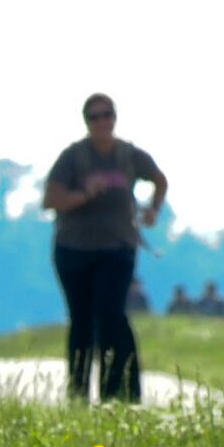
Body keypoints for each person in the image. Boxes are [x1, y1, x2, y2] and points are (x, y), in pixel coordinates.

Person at [41, 94, 166, 402]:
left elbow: (160, 180)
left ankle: (119, 392)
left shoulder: (129, 155)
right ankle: (79, 393)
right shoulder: (73, 157)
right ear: (87, 121)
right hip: (74, 250)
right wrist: (84, 193)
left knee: (111, 316)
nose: (101, 122)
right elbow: (50, 200)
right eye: (94, 116)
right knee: (82, 320)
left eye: (106, 115)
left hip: (117, 249)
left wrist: (153, 211)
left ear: (114, 118)